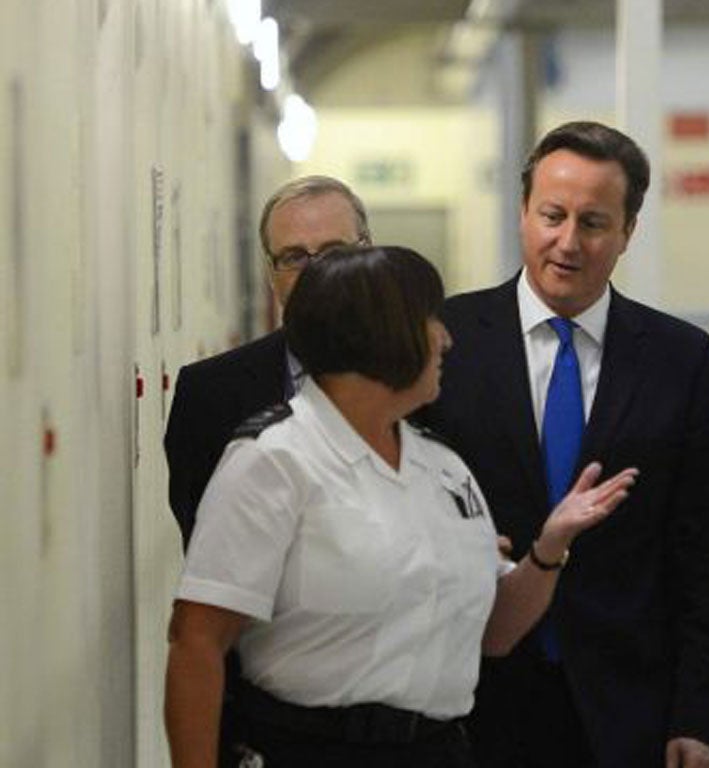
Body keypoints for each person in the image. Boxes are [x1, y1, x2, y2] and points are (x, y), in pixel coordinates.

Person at [164, 245, 639, 768]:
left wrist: (550, 548)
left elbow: (495, 633)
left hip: (437, 749)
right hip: (312, 748)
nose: (446, 338)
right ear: (379, 336)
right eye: (428, 320)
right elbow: (197, 643)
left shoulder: (441, 467)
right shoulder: (275, 461)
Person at [418, 121, 709, 768]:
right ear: (523, 214)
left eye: (593, 222)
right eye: (552, 216)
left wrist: (698, 716)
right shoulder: (446, 340)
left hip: (626, 708)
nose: (568, 242)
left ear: (627, 232)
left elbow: (701, 551)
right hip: (469, 694)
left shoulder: (680, 360)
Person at [164, 175, 372, 548]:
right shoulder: (209, 396)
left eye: (333, 252)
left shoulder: (432, 381)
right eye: (293, 257)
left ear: (369, 253)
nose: (314, 271)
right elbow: (210, 555)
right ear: (270, 273)